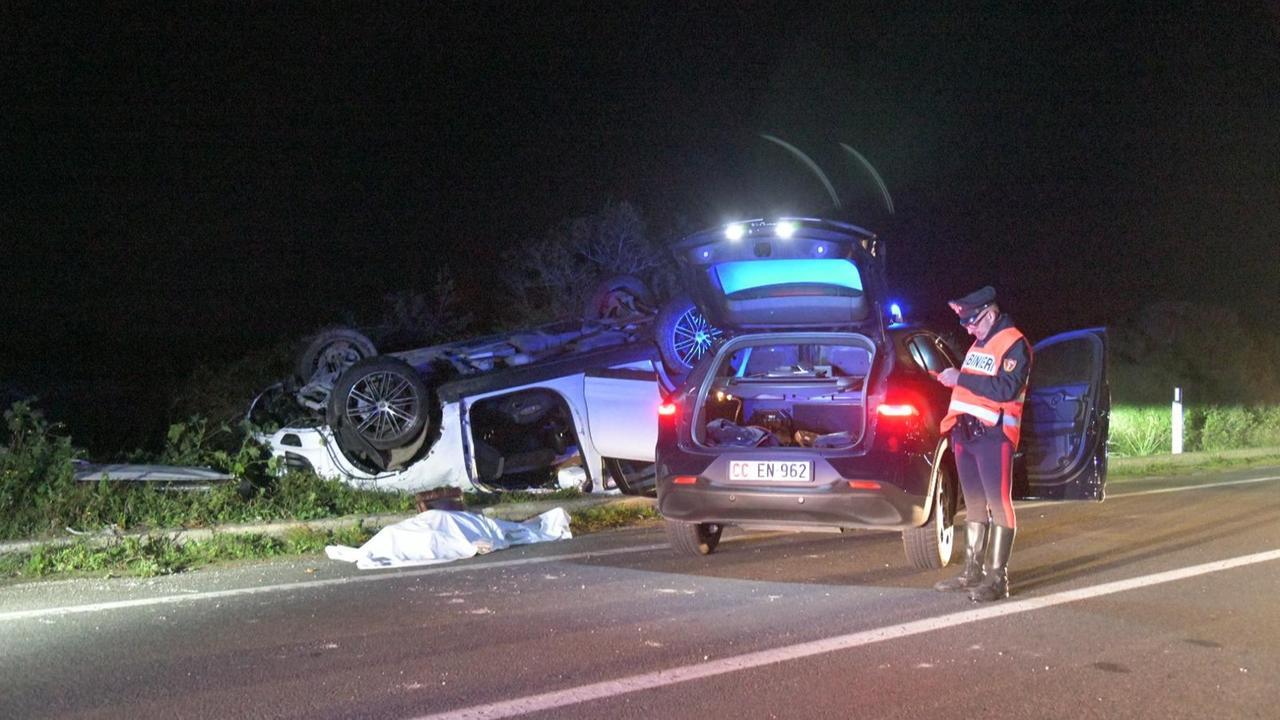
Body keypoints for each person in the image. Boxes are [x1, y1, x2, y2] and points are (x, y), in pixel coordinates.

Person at [931, 286, 1031, 602]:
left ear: (989, 313)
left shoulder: (1015, 343)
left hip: (994, 435)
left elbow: (1005, 389)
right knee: (973, 502)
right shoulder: (979, 344)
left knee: (999, 503)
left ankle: (997, 579)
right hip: (966, 434)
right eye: (965, 324)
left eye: (972, 322)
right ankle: (972, 572)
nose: (969, 329)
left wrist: (959, 377)